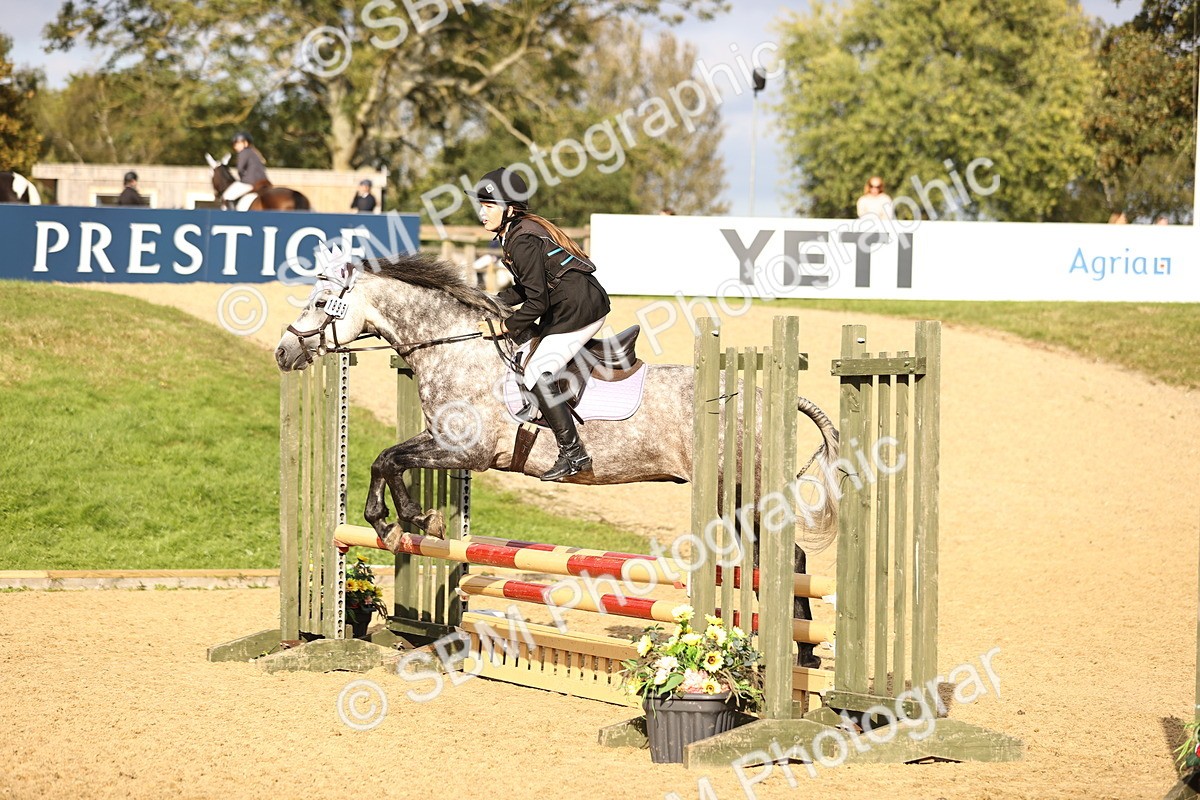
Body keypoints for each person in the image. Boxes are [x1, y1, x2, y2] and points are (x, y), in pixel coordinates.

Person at [469, 167, 611, 481]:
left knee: (537, 371)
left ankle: (574, 454)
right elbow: (527, 289)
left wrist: (503, 327)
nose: (482, 212)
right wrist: (490, 302)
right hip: (568, 304)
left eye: (489, 206)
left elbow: (536, 304)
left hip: (579, 309)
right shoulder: (517, 232)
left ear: (509, 208)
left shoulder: (520, 239)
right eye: (481, 205)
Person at [222, 132, 269, 209]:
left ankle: (230, 217)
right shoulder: (255, 153)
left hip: (250, 182)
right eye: (234, 144)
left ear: (245, 143)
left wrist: (241, 178)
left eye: (237, 143)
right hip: (264, 182)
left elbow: (240, 169)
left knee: (226, 196)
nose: (235, 146)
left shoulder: (243, 152)